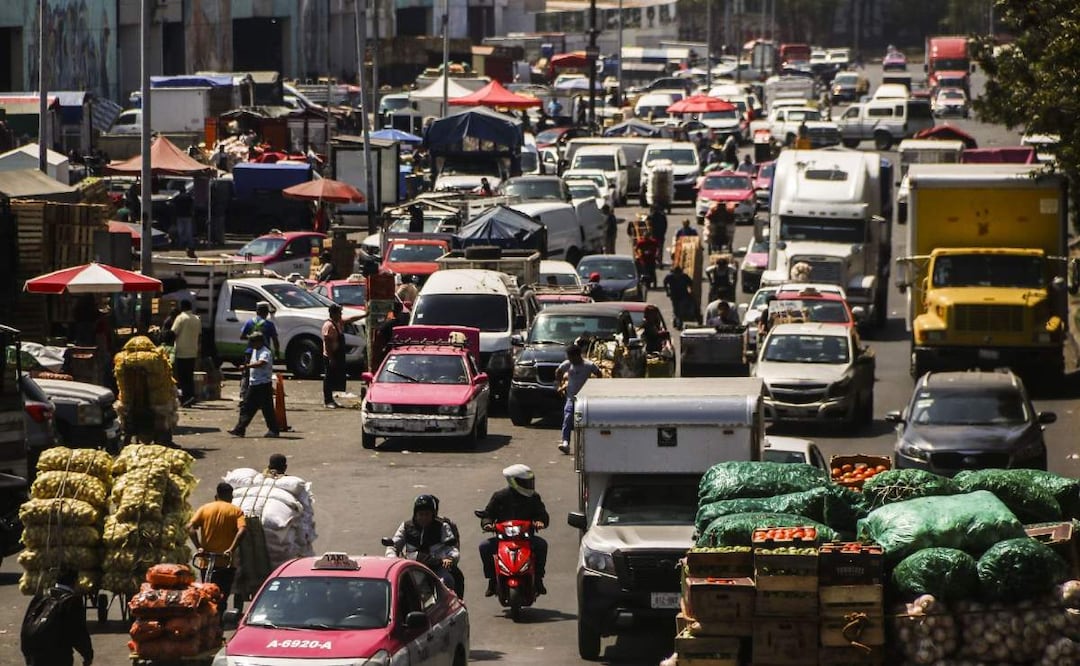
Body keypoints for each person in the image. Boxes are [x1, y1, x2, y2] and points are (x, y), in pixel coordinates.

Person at [478, 465, 550, 597]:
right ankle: (492, 579)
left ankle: (538, 579)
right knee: (484, 547)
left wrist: (540, 522)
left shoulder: (533, 498)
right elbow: (488, 514)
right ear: (513, 482)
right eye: (525, 482)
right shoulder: (499, 497)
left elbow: (542, 515)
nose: (529, 485)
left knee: (541, 545)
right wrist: (488, 524)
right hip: (503, 539)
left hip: (526, 539)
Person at [188, 482, 247, 618]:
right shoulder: (235, 511)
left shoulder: (205, 509)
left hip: (206, 561)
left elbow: (190, 527)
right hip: (226, 562)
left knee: (207, 592)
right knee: (222, 595)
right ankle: (218, 621)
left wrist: (199, 547)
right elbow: (243, 530)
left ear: (216, 496)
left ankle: (208, 619)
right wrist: (231, 549)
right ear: (230, 496)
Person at [385, 495, 461, 593]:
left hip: (437, 567)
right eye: (421, 514)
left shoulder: (442, 526)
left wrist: (450, 558)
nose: (424, 517)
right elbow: (393, 545)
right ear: (415, 514)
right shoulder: (406, 526)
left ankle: (445, 607)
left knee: (447, 580)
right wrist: (392, 559)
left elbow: (452, 548)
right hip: (412, 566)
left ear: (433, 514)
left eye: (427, 514)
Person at [20, 569, 93, 666]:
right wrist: (87, 655)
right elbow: (78, 632)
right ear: (75, 582)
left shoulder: (41, 597)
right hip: (56, 654)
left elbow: (27, 622)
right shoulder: (71, 601)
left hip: (32, 650)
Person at [227, 332, 279, 438]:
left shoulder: (265, 352)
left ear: (259, 342)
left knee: (266, 408)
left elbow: (261, 363)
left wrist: (247, 366)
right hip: (254, 383)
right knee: (247, 407)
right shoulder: (255, 350)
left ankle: (273, 430)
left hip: (262, 384)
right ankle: (240, 429)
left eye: (253, 341)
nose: (251, 344)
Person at [555, 344, 601, 454]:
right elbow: (558, 371)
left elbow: (599, 373)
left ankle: (585, 445)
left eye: (572, 357)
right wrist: (559, 384)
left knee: (581, 421)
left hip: (584, 399)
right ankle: (565, 442)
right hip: (571, 397)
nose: (570, 359)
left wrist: (596, 386)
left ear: (578, 355)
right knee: (567, 418)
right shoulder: (568, 364)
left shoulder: (588, 365)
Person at [322, 303, 364, 409]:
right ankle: (328, 401)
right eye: (339, 313)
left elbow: (350, 319)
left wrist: (365, 315)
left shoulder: (338, 323)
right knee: (328, 378)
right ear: (333, 313)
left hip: (338, 355)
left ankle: (332, 399)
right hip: (330, 355)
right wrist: (331, 358)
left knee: (336, 378)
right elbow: (327, 343)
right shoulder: (329, 326)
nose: (340, 314)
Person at [170, 300, 201, 407]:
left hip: (181, 351)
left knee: (182, 377)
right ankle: (191, 396)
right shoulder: (197, 319)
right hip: (192, 351)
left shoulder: (181, 318)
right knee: (189, 376)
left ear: (182, 307)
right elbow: (199, 335)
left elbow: (173, 332)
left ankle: (185, 398)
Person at [664, 265, 694, 329]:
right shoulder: (670, 277)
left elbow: (690, 283)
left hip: (683, 295)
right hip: (674, 296)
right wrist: (667, 291)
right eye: (676, 273)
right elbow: (665, 283)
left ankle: (679, 320)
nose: (677, 275)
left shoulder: (684, 277)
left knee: (681, 308)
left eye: (679, 273)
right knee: (675, 309)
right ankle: (675, 319)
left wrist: (691, 291)